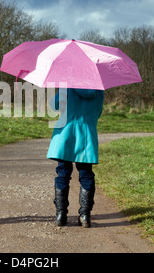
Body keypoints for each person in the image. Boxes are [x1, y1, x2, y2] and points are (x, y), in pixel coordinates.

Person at [47, 88, 104, 228]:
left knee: (62, 173)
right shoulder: (98, 88)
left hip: (65, 134)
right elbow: (98, 112)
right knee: (86, 174)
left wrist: (60, 89)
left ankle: (61, 215)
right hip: (86, 135)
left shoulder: (67, 85)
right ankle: (85, 216)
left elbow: (54, 106)